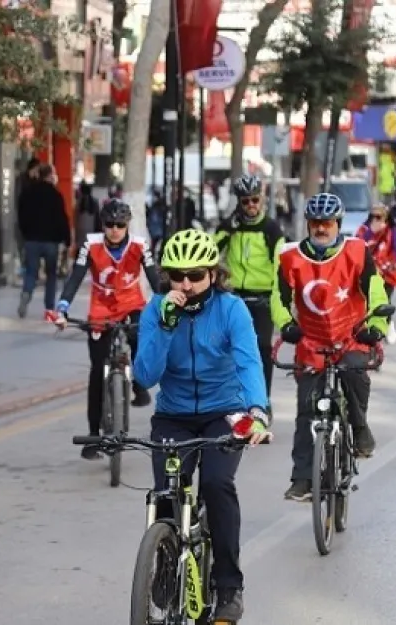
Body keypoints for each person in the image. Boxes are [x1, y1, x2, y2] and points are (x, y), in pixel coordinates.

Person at [133, 228, 270, 622]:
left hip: (221, 412)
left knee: (216, 483)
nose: (187, 285)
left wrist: (257, 412)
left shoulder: (231, 309)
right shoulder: (156, 309)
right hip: (173, 414)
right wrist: (164, 325)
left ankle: (228, 586)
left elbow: (248, 363)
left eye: (195, 275)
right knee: (165, 493)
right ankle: (162, 564)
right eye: (177, 276)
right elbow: (145, 376)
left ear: (213, 274)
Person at [272, 193, 389, 502]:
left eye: (327, 223)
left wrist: (377, 327)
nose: (321, 229)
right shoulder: (289, 256)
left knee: (355, 376)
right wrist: (286, 325)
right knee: (306, 411)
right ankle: (302, 479)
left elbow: (375, 291)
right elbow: (279, 298)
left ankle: (360, 427)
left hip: (351, 336)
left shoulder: (357, 251)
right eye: (315, 223)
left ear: (338, 224)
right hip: (310, 342)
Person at [56, 199, 159, 459]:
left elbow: (155, 278)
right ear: (103, 225)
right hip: (100, 308)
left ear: (127, 226)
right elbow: (76, 277)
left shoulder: (139, 245)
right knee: (96, 369)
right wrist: (62, 307)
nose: (114, 230)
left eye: (120, 225)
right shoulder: (90, 245)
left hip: (131, 303)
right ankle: (93, 436)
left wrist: (167, 305)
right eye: (110, 225)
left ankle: (138, 384)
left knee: (139, 335)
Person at [214, 174, 286, 410]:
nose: (251, 206)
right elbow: (210, 253)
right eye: (245, 201)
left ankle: (262, 401)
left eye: (255, 200)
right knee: (228, 349)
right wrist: (228, 230)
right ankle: (230, 399)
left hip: (263, 298)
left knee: (262, 348)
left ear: (262, 199)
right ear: (239, 202)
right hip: (235, 297)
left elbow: (280, 267)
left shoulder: (271, 229)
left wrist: (280, 299)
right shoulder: (230, 226)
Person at [17, 163, 72, 319]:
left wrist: (25, 234)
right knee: (51, 275)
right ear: (49, 176)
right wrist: (67, 240)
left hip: (32, 239)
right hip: (50, 242)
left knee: (31, 272)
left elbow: (21, 216)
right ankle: (49, 309)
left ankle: (26, 294)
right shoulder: (55, 195)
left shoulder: (27, 193)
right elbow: (62, 219)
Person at [355, 203, 396, 341]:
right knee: (365, 300)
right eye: (373, 216)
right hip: (368, 270)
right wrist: (371, 232)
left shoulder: (393, 230)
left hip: (387, 271)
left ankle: (387, 324)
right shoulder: (364, 229)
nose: (376, 219)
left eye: (380, 216)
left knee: (385, 301)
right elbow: (356, 244)